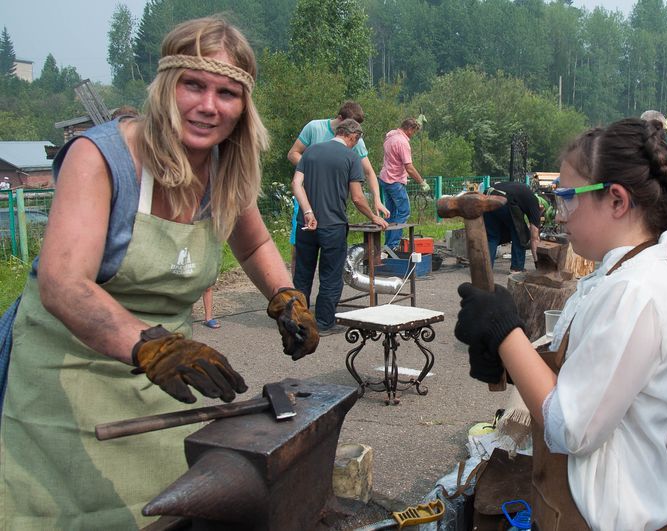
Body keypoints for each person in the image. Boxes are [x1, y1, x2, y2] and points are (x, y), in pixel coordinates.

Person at [0, 17, 319, 528]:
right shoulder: (101, 158)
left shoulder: (224, 167)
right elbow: (63, 283)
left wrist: (286, 296)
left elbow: (255, 241)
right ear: (166, 86)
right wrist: (153, 347)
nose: (208, 105)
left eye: (227, 92)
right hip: (64, 379)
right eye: (193, 84)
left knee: (165, 510)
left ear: (243, 107)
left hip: (166, 382)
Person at [455, 118, 667, 529]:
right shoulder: (617, 277)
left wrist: (505, 331)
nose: (560, 215)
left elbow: (570, 427)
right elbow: (589, 377)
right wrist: (513, 364)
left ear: (617, 200)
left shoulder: (633, 291)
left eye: (567, 198)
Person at [292, 119, 387, 336]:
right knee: (330, 276)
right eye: (356, 141)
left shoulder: (311, 151)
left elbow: (296, 184)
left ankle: (297, 321)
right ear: (353, 136)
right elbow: (357, 197)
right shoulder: (351, 157)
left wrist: (308, 211)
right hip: (333, 226)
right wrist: (373, 216)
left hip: (305, 225)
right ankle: (324, 323)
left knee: (302, 275)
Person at [288, 101, 389, 219]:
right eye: (350, 124)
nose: (352, 130)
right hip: (309, 195)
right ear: (340, 118)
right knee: (304, 226)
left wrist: (377, 199)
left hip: (334, 200)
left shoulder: (356, 140)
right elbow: (293, 154)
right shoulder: (314, 127)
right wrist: (316, 169)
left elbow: (368, 172)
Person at [379, 117, 430, 251]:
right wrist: (422, 182)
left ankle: (387, 246)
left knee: (391, 213)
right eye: (414, 131)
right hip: (394, 181)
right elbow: (409, 168)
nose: (413, 135)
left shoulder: (390, 136)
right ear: (409, 129)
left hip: (385, 178)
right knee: (404, 212)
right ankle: (393, 245)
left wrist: (417, 121)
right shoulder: (402, 142)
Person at [483, 181, 541, 273]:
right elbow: (534, 238)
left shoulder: (522, 192)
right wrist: (537, 262)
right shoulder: (534, 204)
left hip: (486, 198)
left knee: (492, 237)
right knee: (520, 234)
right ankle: (517, 268)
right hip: (503, 199)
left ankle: (485, 270)